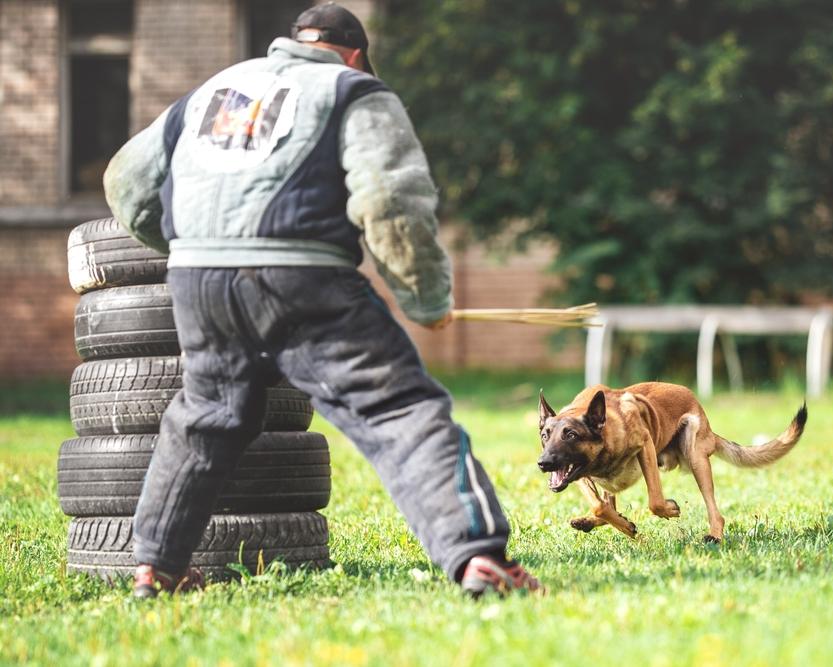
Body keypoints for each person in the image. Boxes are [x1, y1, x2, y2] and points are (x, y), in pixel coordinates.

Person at [103, 2, 541, 599]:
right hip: (302, 277)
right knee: (398, 409)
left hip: (197, 280)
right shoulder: (353, 91)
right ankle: (479, 559)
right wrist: (425, 297)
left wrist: (190, 244)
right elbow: (390, 201)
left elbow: (125, 187)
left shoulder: (212, 92)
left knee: (206, 417)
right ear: (357, 54)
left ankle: (157, 567)